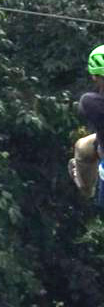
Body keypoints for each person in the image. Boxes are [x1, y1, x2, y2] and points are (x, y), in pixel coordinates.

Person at [68, 44, 104, 198]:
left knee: (83, 148)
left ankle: (86, 188)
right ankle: (86, 188)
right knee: (83, 147)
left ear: (94, 76)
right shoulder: (93, 101)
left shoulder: (90, 101)